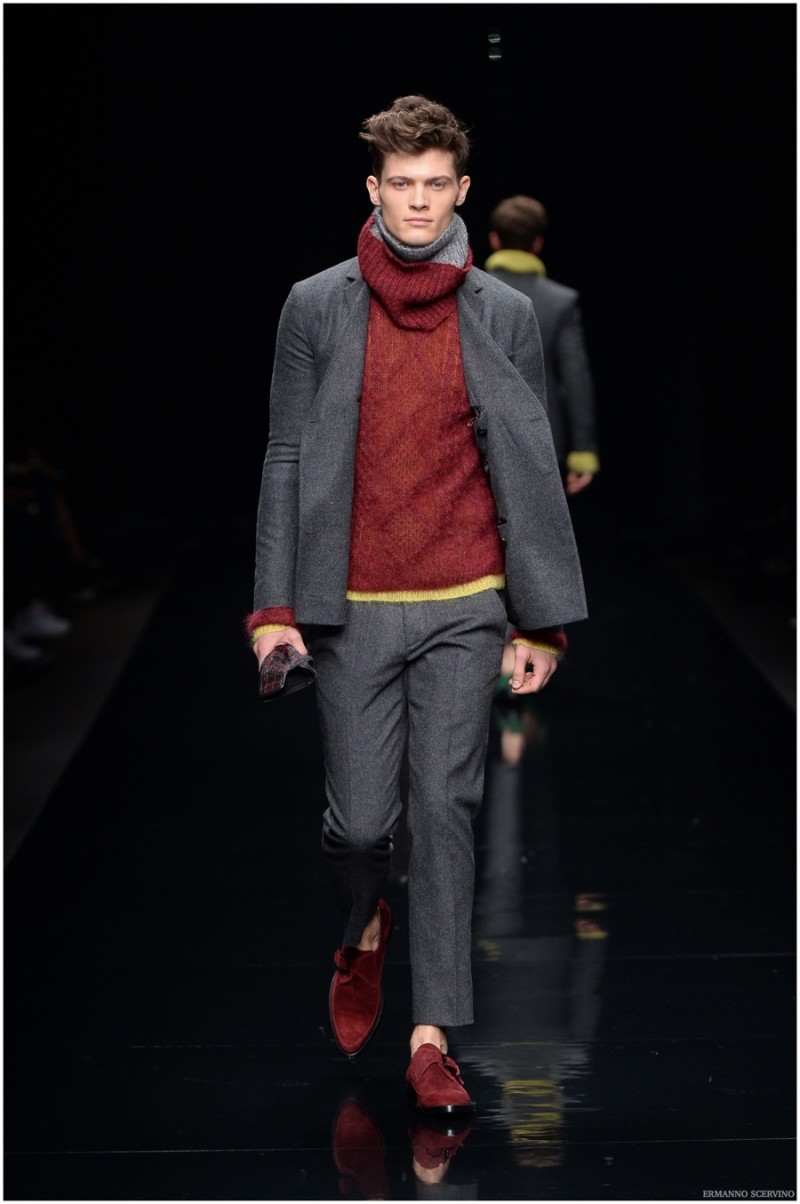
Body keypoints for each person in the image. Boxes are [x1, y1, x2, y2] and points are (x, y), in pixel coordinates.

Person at [245, 95, 587, 1114]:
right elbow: (285, 454)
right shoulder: (315, 305)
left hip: (463, 601)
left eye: (437, 184)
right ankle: (361, 925)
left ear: (462, 190)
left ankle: (432, 1037)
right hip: (348, 603)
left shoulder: (502, 314)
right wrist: (273, 607)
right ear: (373, 189)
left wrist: (536, 618)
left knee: (444, 811)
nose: (420, 202)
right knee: (359, 828)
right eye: (402, 185)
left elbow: (525, 467)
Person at [484, 194, 600, 497]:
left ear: (494, 240)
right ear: (537, 243)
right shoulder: (561, 302)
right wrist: (583, 451)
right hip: (544, 441)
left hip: (479, 440)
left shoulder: (471, 295)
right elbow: (575, 377)